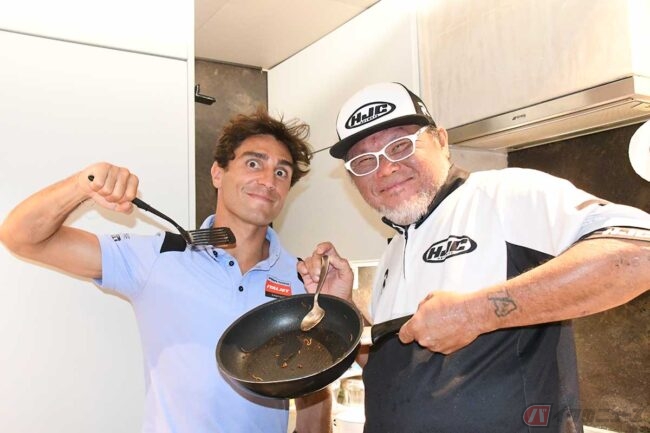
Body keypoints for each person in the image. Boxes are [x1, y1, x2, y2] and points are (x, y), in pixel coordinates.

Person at [299, 82, 650, 433]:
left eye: (400, 145)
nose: (385, 168)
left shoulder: (503, 195)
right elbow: (394, 370)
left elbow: (640, 253)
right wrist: (343, 306)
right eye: (364, 161)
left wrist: (475, 313)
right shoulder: (394, 251)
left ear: (441, 140)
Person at [0, 108, 331, 433]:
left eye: (281, 172)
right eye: (254, 163)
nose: (268, 180)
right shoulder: (158, 256)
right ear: (218, 173)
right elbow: (21, 237)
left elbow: (312, 390)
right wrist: (82, 185)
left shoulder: (303, 279)